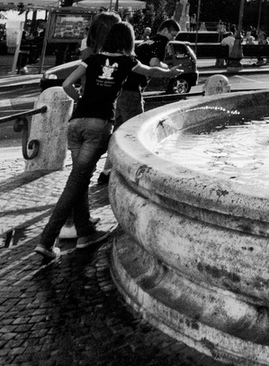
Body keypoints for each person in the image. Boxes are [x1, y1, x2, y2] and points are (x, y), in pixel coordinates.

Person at [35, 21, 182, 263]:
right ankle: (46, 240)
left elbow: (65, 84)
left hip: (76, 124)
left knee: (79, 179)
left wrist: (80, 97)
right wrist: (172, 73)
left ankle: (84, 233)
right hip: (99, 125)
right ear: (128, 41)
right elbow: (152, 71)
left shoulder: (91, 60)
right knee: (75, 183)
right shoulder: (127, 62)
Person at [96, 19, 180, 183]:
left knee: (119, 132)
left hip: (119, 92)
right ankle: (133, 175)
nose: (172, 39)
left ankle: (106, 172)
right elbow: (154, 63)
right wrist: (169, 70)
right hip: (132, 92)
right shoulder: (160, 42)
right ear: (164, 30)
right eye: (172, 34)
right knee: (137, 133)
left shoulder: (145, 42)